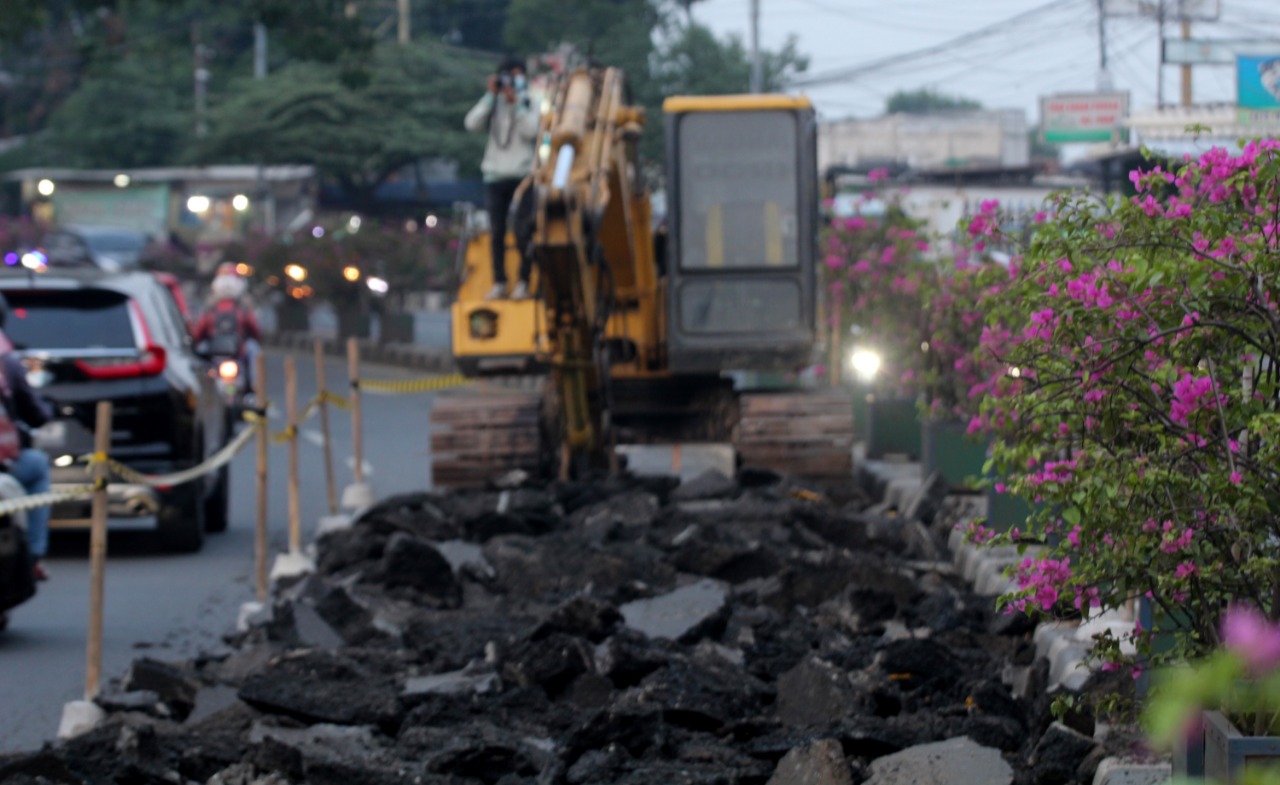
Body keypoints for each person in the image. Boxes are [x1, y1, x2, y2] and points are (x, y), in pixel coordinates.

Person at [465, 55, 540, 301]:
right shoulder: (493, 103)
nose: (513, 81)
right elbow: (471, 124)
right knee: (496, 232)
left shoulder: (532, 100)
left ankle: (523, 281)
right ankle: (499, 282)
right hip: (494, 176)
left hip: (523, 177)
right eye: (509, 76)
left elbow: (533, 131)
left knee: (523, 231)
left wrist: (516, 105)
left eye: (518, 76)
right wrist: (490, 96)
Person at [0, 294, 53, 581]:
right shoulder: (5, 357)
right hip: (5, 464)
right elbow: (34, 413)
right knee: (38, 466)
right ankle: (34, 555)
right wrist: (48, 411)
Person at [192, 263, 262, 389]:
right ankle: (255, 387)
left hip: (235, 352)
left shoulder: (211, 306)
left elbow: (199, 333)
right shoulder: (242, 306)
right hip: (220, 353)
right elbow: (255, 330)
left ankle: (254, 386)